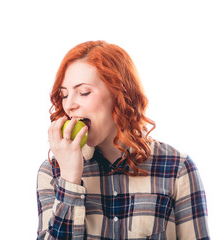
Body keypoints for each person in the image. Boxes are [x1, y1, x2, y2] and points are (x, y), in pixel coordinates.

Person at [36, 40, 209, 239]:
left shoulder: (177, 169)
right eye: (64, 95)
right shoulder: (52, 172)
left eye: (83, 92)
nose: (69, 105)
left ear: (119, 94)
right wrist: (69, 180)